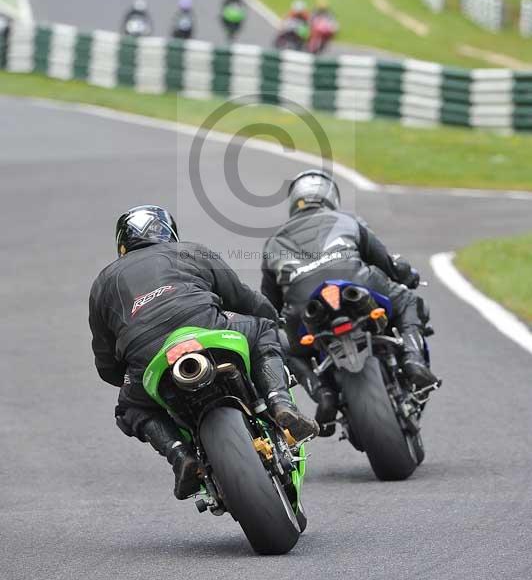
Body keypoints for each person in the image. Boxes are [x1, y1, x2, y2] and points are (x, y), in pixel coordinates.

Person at [89, 205, 318, 500]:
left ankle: (181, 456)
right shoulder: (191, 251)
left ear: (122, 244)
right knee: (262, 329)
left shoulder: (103, 281)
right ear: (169, 233)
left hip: (149, 355)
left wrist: (133, 376)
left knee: (130, 408)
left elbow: (106, 363)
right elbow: (243, 298)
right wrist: (272, 318)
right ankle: (280, 403)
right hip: (206, 326)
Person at [260, 170, 437, 436]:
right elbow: (385, 262)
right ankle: (413, 360)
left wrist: (279, 321)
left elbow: (270, 305)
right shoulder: (347, 219)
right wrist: (407, 276)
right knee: (407, 299)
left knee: (289, 348)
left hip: (305, 305)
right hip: (358, 284)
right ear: (330, 197)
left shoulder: (274, 242)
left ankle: (323, 394)